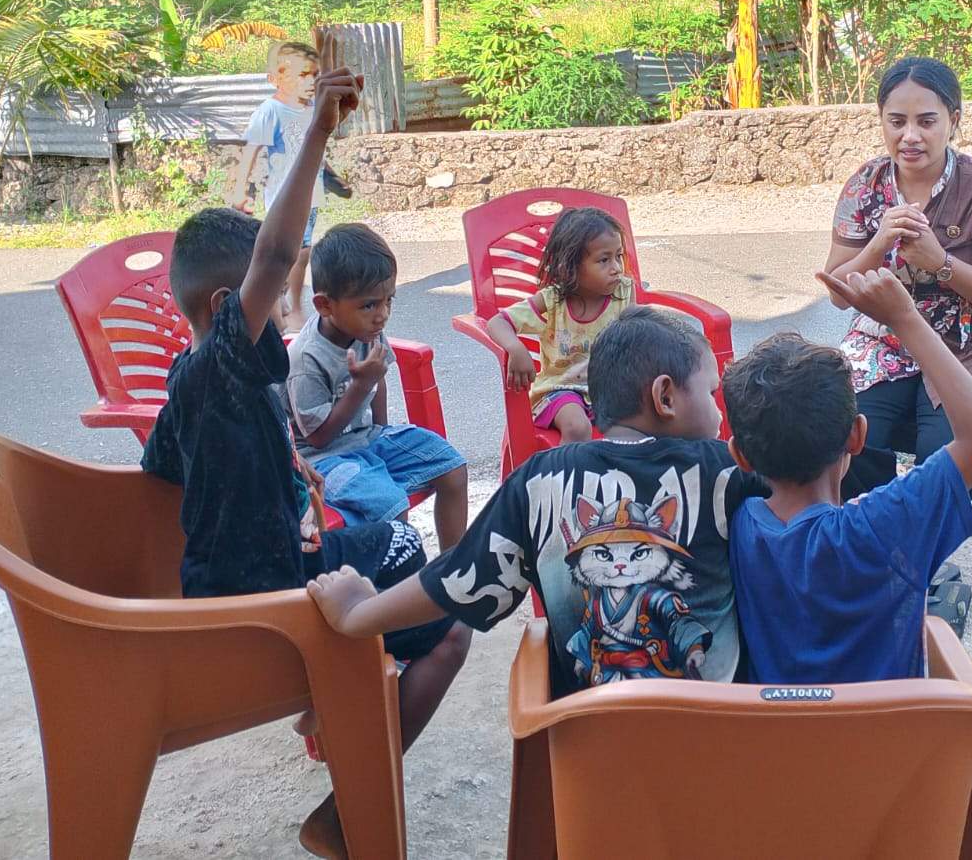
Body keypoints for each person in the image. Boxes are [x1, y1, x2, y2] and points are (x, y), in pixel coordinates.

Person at [142, 42, 468, 859]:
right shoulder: (219, 366)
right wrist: (317, 125)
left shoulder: (196, 387)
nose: (281, 306)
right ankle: (339, 812)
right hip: (263, 603)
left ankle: (335, 704)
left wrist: (292, 482)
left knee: (383, 548)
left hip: (267, 569)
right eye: (268, 300)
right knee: (449, 617)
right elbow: (279, 253)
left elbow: (164, 480)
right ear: (228, 307)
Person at [306, 307, 767, 697]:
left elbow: (454, 581)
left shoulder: (538, 480)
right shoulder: (728, 470)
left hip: (589, 745)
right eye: (711, 392)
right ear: (665, 396)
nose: (718, 409)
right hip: (715, 733)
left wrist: (358, 615)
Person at [725, 268, 972, 683]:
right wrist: (905, 318)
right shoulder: (883, 523)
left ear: (740, 457)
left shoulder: (734, 523)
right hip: (889, 742)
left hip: (777, 743)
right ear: (858, 435)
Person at [823, 56, 972, 497]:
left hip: (966, 342)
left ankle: (916, 553)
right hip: (883, 340)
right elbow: (840, 292)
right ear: (881, 120)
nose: (910, 136)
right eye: (896, 121)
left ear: (953, 121)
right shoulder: (866, 185)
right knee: (837, 441)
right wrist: (879, 244)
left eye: (927, 121)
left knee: (948, 456)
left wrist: (941, 263)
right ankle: (877, 543)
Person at [284, 222, 471, 549]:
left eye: (389, 301)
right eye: (370, 304)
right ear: (325, 305)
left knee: (453, 469)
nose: (382, 315)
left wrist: (382, 433)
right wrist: (360, 385)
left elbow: (378, 382)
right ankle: (401, 589)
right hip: (324, 459)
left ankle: (452, 574)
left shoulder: (366, 330)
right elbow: (317, 436)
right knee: (391, 505)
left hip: (367, 439)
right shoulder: (306, 358)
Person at [485, 206, 634, 444]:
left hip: (609, 389)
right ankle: (564, 479)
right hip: (561, 391)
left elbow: (640, 326)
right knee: (577, 427)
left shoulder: (624, 291)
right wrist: (516, 348)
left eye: (619, 256)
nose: (616, 267)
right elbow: (498, 322)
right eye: (604, 260)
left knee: (655, 414)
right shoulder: (554, 300)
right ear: (570, 267)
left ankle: (619, 478)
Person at [231, 39, 324, 328]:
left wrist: (331, 178)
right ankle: (288, 306)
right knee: (290, 250)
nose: (310, 82)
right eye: (302, 75)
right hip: (284, 196)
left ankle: (287, 301)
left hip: (312, 193)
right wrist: (239, 190)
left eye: (314, 75)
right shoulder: (271, 110)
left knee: (300, 251)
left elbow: (314, 149)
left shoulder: (312, 110)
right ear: (275, 79)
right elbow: (252, 149)